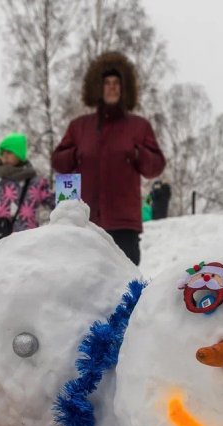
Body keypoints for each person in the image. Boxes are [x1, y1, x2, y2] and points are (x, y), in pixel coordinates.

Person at [51, 51, 166, 265]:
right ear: (97, 87)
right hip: (85, 222)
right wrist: (76, 154)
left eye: (116, 83)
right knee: (82, 282)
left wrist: (138, 153)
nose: (112, 87)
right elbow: (58, 161)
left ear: (125, 88)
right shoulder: (79, 127)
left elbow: (156, 166)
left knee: (124, 288)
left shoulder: (139, 126)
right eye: (107, 83)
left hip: (124, 225)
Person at [0, 132, 54, 245]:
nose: (5, 155)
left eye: (9, 152)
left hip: (28, 243)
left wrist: (69, 197)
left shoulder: (36, 182)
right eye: (2, 152)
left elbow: (57, 204)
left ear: (20, 154)